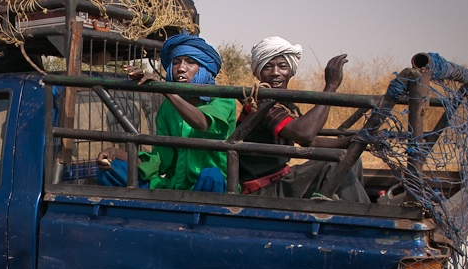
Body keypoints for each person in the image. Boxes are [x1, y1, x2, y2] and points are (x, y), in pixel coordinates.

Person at [96, 33, 237, 192]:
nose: (181, 68)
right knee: (109, 170)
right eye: (176, 62)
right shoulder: (167, 108)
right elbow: (161, 162)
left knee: (210, 175)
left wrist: (164, 90)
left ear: (205, 67)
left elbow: (202, 123)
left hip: (212, 187)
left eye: (190, 62)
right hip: (176, 187)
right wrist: (116, 153)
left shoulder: (224, 100)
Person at [237, 36, 369, 202]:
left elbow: (310, 142)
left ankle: (353, 213)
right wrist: (330, 87)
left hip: (279, 182)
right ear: (258, 72)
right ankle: (365, 217)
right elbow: (304, 133)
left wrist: (354, 141)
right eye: (268, 67)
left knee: (350, 158)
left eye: (282, 66)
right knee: (336, 163)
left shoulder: (285, 106)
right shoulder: (260, 103)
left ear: (290, 70)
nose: (276, 72)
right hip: (262, 190)